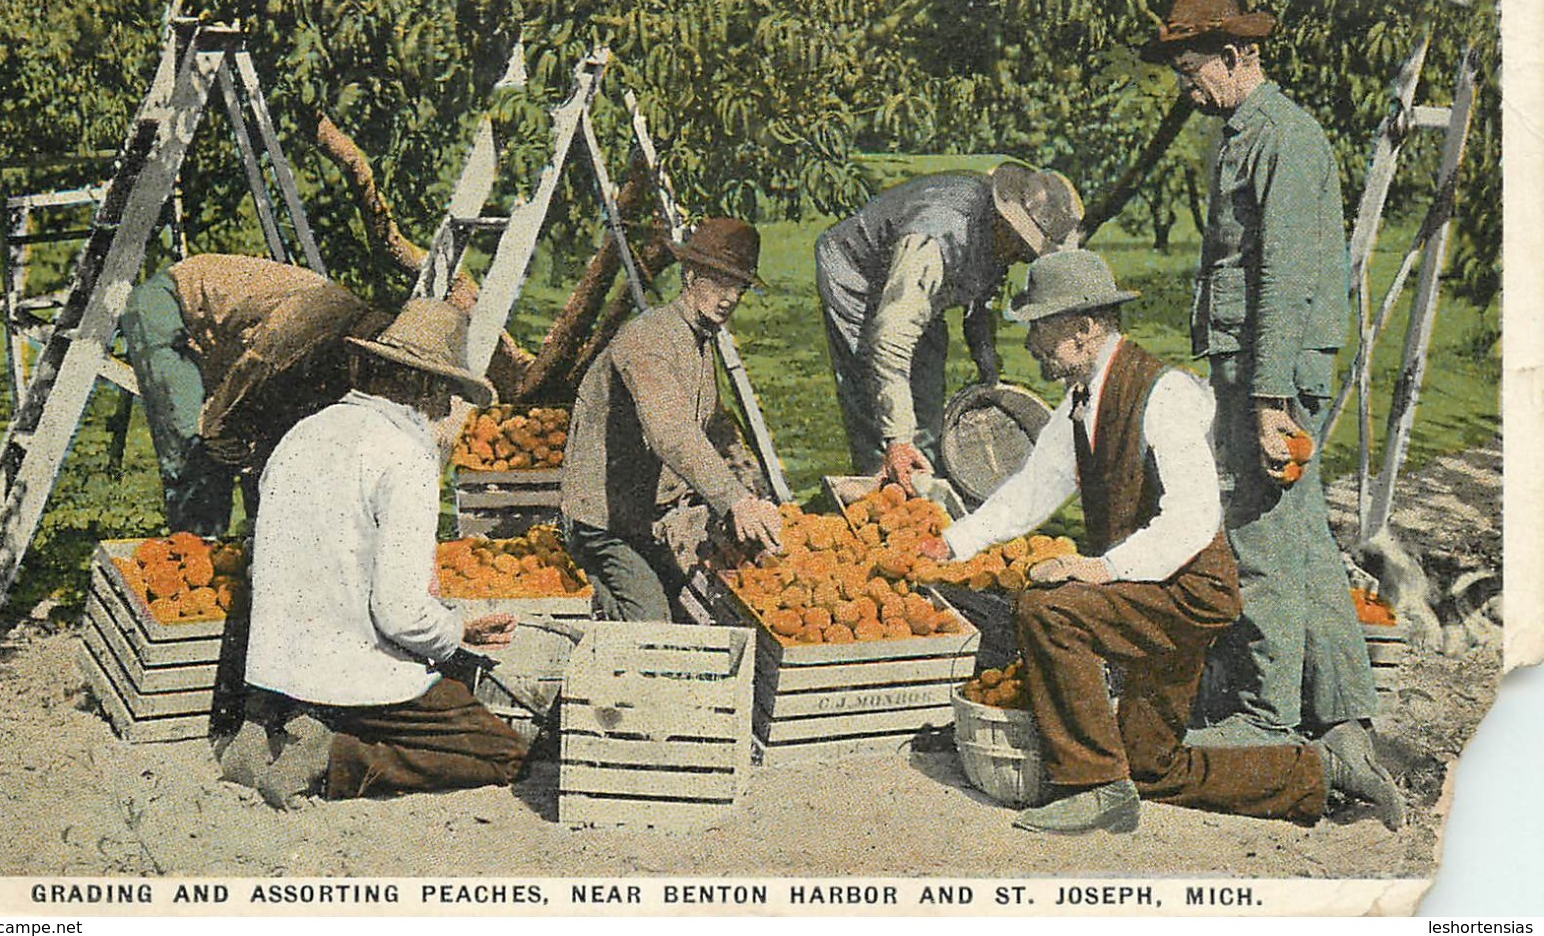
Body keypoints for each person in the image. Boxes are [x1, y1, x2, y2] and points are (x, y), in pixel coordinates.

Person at [924, 250, 1403, 834]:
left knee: (1049, 609)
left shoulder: (1163, 394)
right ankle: (1318, 773)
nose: (1031, 346)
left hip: (1189, 592)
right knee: (1152, 766)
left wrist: (1099, 570)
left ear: (1084, 328)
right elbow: (1031, 489)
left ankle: (1093, 786)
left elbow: (1194, 520)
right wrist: (951, 544)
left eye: (1041, 329)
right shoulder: (1081, 402)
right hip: (1152, 590)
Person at [1141, 0, 1378, 748]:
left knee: (1260, 537)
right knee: (1302, 537)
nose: (1186, 87)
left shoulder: (1281, 135)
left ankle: (1263, 715)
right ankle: (1344, 716)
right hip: (1256, 360)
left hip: (1269, 366)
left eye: (1191, 69)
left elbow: (1281, 275)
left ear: (1236, 55)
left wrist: (1270, 398)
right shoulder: (1247, 132)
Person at [221, 299, 527, 808]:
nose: (445, 408)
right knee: (502, 752)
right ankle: (334, 758)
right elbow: (400, 614)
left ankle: (267, 730)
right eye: (445, 393)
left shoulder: (302, 434)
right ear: (424, 386)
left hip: (277, 665)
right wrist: (452, 633)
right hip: (350, 670)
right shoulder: (405, 457)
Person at [561, 218, 785, 622]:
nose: (730, 297)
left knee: (702, 607)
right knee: (652, 624)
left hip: (648, 523)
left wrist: (756, 491)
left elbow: (715, 426)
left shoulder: (699, 340)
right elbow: (672, 432)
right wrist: (733, 500)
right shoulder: (649, 340)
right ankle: (586, 605)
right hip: (603, 525)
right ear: (690, 274)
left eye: (739, 287)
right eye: (719, 282)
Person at [814, 163, 1083, 494]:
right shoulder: (939, 231)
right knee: (875, 399)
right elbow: (890, 338)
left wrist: (987, 365)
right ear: (1004, 221)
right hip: (858, 272)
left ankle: (922, 481)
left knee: (926, 387)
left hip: (917, 282)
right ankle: (884, 494)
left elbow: (980, 301)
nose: (1021, 257)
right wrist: (897, 439)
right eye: (1021, 246)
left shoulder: (995, 237)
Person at [118, 253, 391, 537]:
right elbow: (245, 378)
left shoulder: (346, 359)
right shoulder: (312, 323)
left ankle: (252, 551)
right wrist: (216, 433)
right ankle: (193, 559)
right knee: (194, 450)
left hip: (221, 342)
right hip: (171, 306)